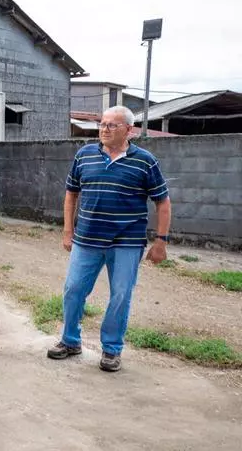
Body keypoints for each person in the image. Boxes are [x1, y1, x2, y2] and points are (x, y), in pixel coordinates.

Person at [48, 105, 171, 372]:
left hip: (127, 242)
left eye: (112, 125)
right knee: (73, 289)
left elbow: (162, 201)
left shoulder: (145, 161)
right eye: (102, 124)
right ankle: (70, 340)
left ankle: (112, 349)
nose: (104, 129)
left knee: (121, 295)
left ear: (129, 130)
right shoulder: (84, 155)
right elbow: (71, 194)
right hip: (87, 239)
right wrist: (68, 230)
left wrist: (161, 241)